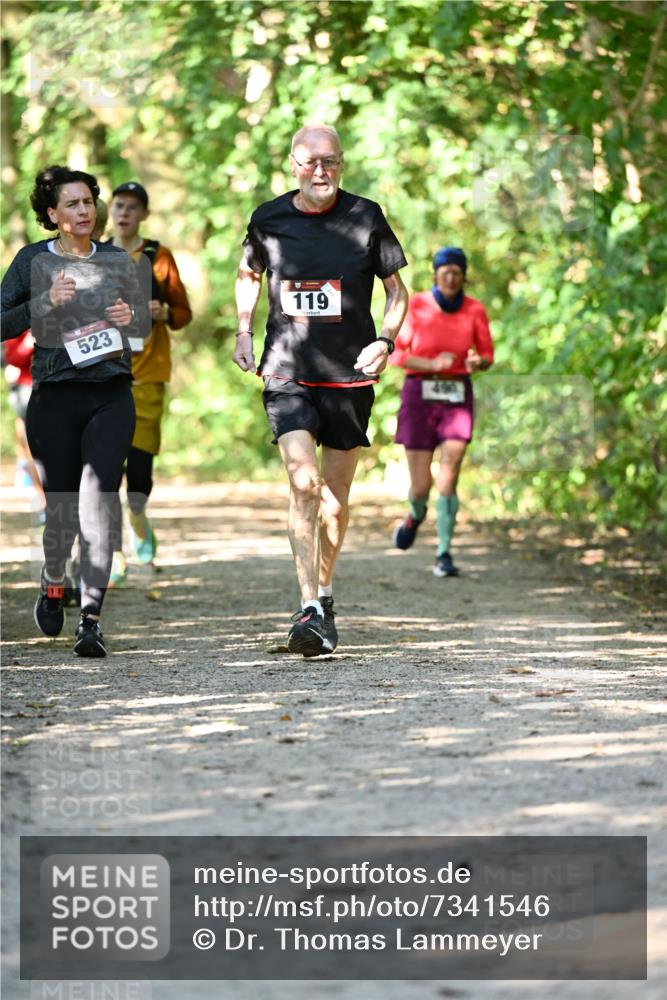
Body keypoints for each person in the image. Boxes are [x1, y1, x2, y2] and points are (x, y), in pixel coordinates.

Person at [234, 124, 408, 657]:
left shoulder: (366, 216)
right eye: (310, 162)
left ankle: (326, 593)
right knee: (304, 483)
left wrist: (385, 340)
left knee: (334, 501)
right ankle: (307, 607)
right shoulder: (268, 218)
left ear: (342, 164)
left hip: (349, 374)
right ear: (293, 164)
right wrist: (243, 328)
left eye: (330, 162)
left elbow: (398, 290)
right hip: (287, 370)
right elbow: (248, 272)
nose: (320, 171)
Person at [0, 165, 149, 656]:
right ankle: (51, 578)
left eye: (88, 202)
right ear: (52, 214)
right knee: (62, 511)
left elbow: (140, 328)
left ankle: (90, 619)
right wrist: (43, 303)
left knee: (98, 501)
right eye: (72, 204)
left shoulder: (118, 259)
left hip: (110, 394)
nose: (84, 211)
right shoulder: (30, 261)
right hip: (54, 398)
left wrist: (131, 320)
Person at [107, 181, 192, 585]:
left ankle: (139, 524)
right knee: (105, 471)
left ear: (144, 214)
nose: (124, 212)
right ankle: (112, 553)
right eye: (118, 205)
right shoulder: (95, 255)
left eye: (132, 207)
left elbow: (183, 312)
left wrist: (163, 313)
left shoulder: (159, 258)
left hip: (148, 376)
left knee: (138, 473)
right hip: (103, 377)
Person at [391, 246, 494, 577]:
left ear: (464, 276)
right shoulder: (418, 304)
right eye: (444, 271)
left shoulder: (474, 309)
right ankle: (415, 514)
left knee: (449, 475)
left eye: (457, 272)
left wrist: (479, 362)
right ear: (435, 274)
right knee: (421, 485)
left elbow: (487, 355)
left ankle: (444, 552)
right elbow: (397, 355)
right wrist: (433, 363)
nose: (451, 277)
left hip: (456, 394)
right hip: (419, 392)